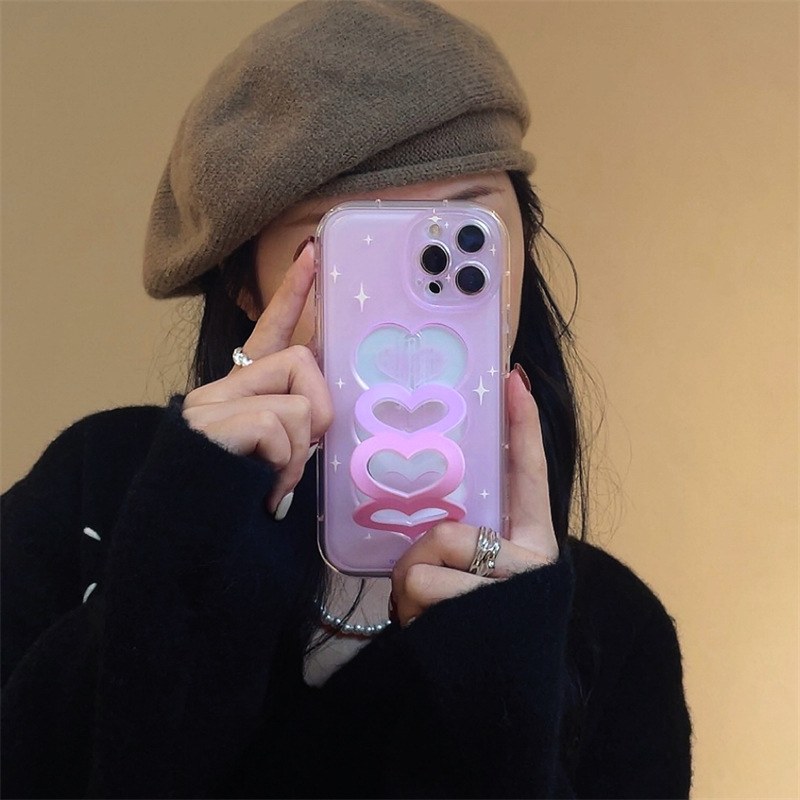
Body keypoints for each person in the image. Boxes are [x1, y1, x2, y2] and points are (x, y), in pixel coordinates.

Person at [1, 1, 692, 797]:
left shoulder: (612, 628)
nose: (409, 308)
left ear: (522, 249)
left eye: (463, 233)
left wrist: (500, 702)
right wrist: (183, 552)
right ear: (245, 287)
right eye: (349, 245)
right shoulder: (98, 485)